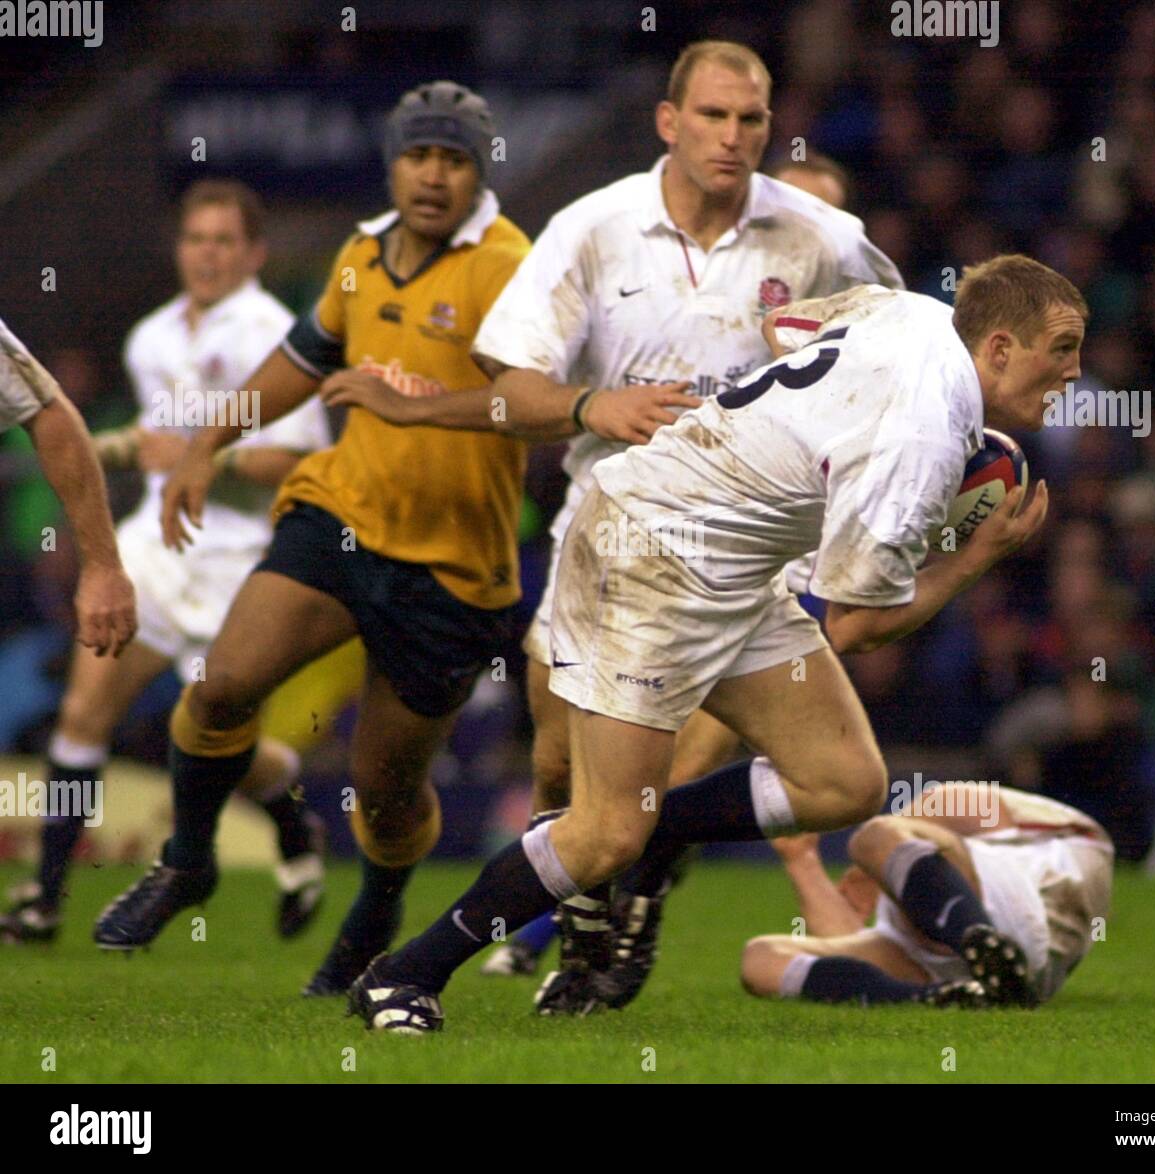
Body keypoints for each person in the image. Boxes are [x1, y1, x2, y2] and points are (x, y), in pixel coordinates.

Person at [345, 253, 1083, 1034]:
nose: (1073, 370)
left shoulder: (914, 313)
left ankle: (657, 829)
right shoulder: (923, 436)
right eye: (1062, 347)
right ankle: (403, 974)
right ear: (999, 348)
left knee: (843, 783)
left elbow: (784, 326)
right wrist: (975, 557)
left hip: (732, 570)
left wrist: (807, 436)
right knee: (604, 835)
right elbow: (857, 628)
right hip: (649, 554)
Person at [92, 82, 677, 997]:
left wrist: (408, 404)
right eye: (419, 155)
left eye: (452, 159)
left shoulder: (509, 266)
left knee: (389, 793)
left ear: (476, 170)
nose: (433, 175)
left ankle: (376, 913)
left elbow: (531, 411)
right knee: (221, 689)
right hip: (338, 517)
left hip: (450, 567)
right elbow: (301, 360)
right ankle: (187, 862)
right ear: (394, 162)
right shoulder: (362, 252)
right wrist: (210, 441)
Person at [465, 40, 901, 1003]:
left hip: (751, 547)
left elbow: (904, 343)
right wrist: (591, 407)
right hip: (610, 535)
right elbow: (508, 384)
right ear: (669, 121)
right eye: (712, 116)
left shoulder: (820, 236)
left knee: (679, 758)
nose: (733, 138)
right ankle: (588, 929)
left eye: (751, 120)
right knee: (557, 769)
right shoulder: (593, 228)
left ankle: (634, 903)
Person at [1, 181, 333, 946]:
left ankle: (293, 826)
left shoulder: (272, 334)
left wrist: (202, 458)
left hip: (236, 564)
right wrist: (109, 449)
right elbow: (144, 444)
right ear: (178, 247)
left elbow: (301, 461)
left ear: (253, 253)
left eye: (224, 241)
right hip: (154, 550)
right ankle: (45, 899)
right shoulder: (150, 338)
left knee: (222, 746)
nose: (208, 254)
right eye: (195, 239)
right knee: (84, 715)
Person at [742, 784, 1114, 1009]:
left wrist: (878, 860)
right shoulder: (925, 870)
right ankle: (934, 997)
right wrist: (802, 860)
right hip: (949, 963)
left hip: (1008, 920)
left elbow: (940, 803)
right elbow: (845, 943)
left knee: (874, 836)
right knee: (760, 959)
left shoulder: (1052, 842)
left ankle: (982, 942)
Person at [0, 321, 136, 656]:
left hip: (48, 538)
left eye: (78, 370)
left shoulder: (107, 417)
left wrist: (102, 566)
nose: (71, 377)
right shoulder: (16, 435)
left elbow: (48, 413)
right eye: (65, 369)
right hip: (23, 539)